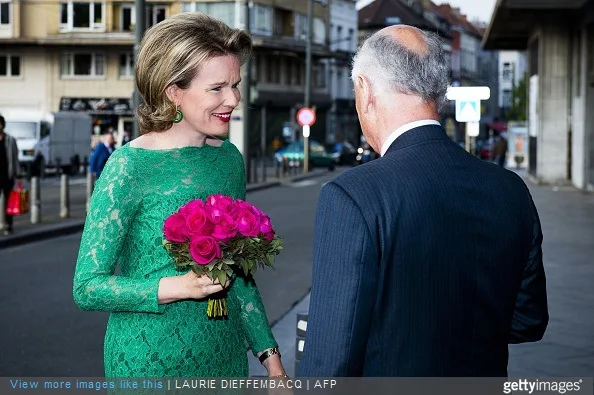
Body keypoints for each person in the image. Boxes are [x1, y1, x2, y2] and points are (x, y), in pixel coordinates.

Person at [298, 25, 548, 377]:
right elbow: (527, 320)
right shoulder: (509, 189)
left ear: (366, 90)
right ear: (439, 92)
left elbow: (329, 358)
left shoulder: (353, 196)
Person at [73, 12, 287, 378]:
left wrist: (272, 360)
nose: (233, 99)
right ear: (174, 91)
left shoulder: (228, 160)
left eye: (235, 84)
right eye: (217, 88)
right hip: (149, 360)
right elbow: (88, 287)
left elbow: (238, 273)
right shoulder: (128, 167)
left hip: (224, 356)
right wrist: (179, 286)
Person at [0, 115, 19, 236]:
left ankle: (9, 225)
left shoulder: (10, 140)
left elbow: (15, 157)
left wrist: (16, 173)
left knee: (9, 202)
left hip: (7, 175)